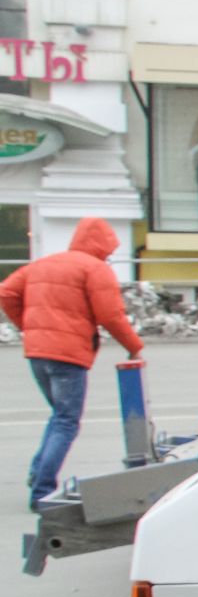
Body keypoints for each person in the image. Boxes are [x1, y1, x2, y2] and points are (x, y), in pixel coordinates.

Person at [0, 218, 144, 509]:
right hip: (67, 356)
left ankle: (37, 471)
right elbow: (110, 315)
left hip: (38, 353)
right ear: (101, 245)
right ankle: (42, 491)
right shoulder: (95, 269)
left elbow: (6, 293)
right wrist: (134, 347)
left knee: (59, 416)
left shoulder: (44, 263)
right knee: (66, 421)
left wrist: (29, 328)